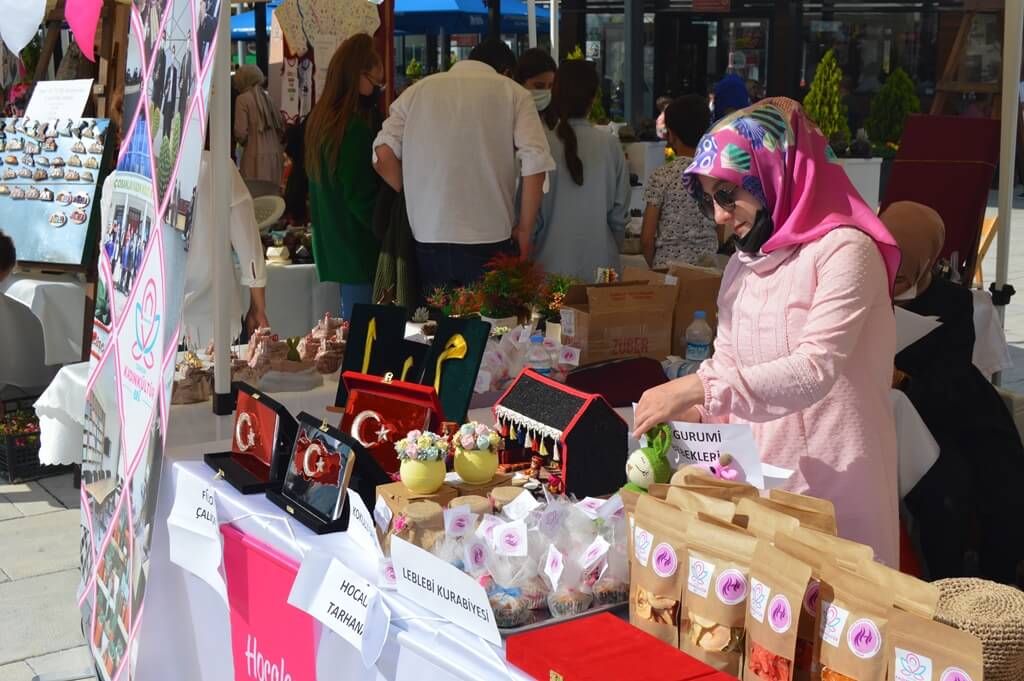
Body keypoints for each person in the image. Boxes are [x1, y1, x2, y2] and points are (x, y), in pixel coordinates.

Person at [633, 98, 902, 565]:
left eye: (727, 194)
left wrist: (699, 387)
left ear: (775, 172)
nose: (718, 215)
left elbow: (814, 369)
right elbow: (728, 366)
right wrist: (688, 416)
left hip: (837, 491)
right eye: (708, 199)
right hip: (762, 489)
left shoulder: (845, 252)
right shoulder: (743, 263)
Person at [882, 201, 1024, 586]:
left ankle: (997, 589)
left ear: (927, 260)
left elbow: (961, 375)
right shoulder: (859, 291)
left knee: (1005, 479)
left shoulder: (960, 303)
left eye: (905, 264)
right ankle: (944, 586)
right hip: (906, 424)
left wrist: (907, 378)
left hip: (962, 411)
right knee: (946, 489)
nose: (891, 273)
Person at [373, 38, 555, 295]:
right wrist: (525, 229)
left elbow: (382, 155)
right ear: (506, 72)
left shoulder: (417, 91)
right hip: (488, 234)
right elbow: (535, 163)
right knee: (489, 328)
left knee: (433, 329)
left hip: (429, 233)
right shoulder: (513, 94)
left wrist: (415, 193)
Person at [306, 34, 383, 321]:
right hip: (359, 251)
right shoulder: (352, 128)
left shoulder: (321, 120)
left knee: (349, 338)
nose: (377, 90)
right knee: (363, 346)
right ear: (357, 76)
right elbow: (360, 196)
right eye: (376, 83)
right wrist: (390, 229)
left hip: (335, 247)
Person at [530, 60, 629, 282]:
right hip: (602, 272)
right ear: (593, 98)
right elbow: (619, 215)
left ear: (554, 94)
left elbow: (530, 218)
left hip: (547, 272)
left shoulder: (540, 145)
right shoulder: (610, 145)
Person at [180, 153, 269, 344]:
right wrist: (258, 306)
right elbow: (248, 242)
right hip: (216, 324)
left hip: (149, 328)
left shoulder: (127, 172)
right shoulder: (218, 166)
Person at [641, 95, 718, 267]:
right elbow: (721, 230)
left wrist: (653, 268)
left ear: (672, 135)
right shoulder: (716, 175)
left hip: (667, 272)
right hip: (707, 272)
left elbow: (646, 239)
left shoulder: (662, 176)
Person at [233, 64, 285, 188]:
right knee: (272, 201)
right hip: (275, 158)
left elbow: (240, 132)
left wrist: (245, 142)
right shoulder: (269, 99)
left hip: (254, 157)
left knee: (255, 201)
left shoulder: (242, 100)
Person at [515, 48, 557, 129]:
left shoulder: (554, 119)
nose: (545, 91)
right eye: (539, 86)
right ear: (521, 82)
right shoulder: (508, 117)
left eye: (550, 86)